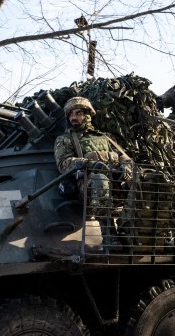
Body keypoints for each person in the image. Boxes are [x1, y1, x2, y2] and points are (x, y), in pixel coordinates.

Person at [54, 96, 132, 248]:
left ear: (87, 115)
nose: (74, 117)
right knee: (100, 180)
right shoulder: (65, 139)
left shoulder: (105, 137)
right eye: (71, 115)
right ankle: (109, 235)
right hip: (88, 186)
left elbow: (125, 157)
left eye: (78, 113)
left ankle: (136, 228)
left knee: (143, 178)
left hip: (115, 182)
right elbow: (64, 164)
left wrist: (125, 167)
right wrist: (91, 164)